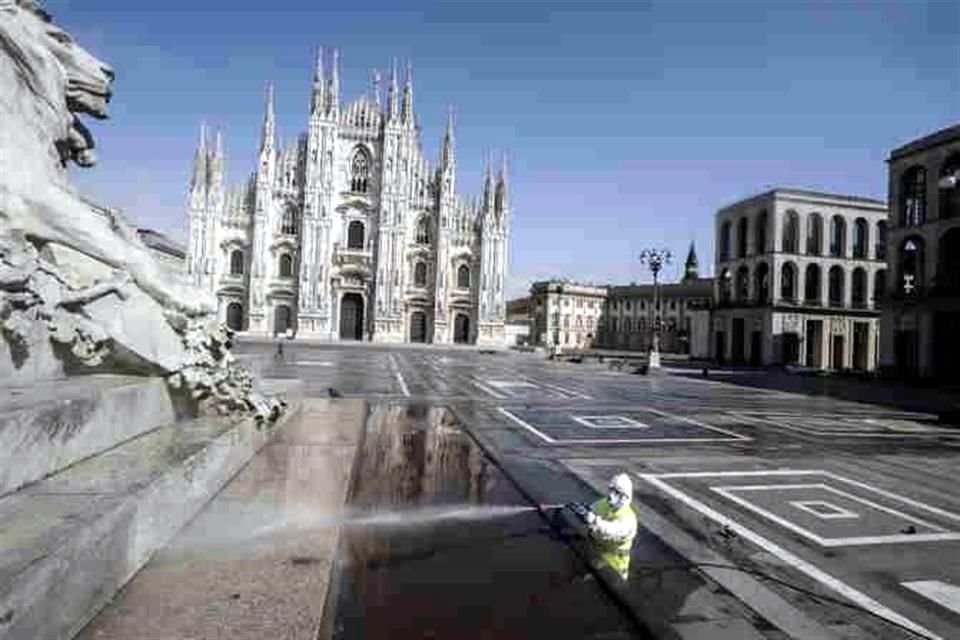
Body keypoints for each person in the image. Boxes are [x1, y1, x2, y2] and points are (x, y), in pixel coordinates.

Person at [581, 473, 638, 580]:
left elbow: (612, 531)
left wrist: (595, 521)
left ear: (625, 496)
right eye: (611, 490)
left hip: (615, 566)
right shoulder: (604, 503)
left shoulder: (629, 518)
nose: (612, 494)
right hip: (599, 557)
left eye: (617, 492)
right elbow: (592, 509)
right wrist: (583, 510)